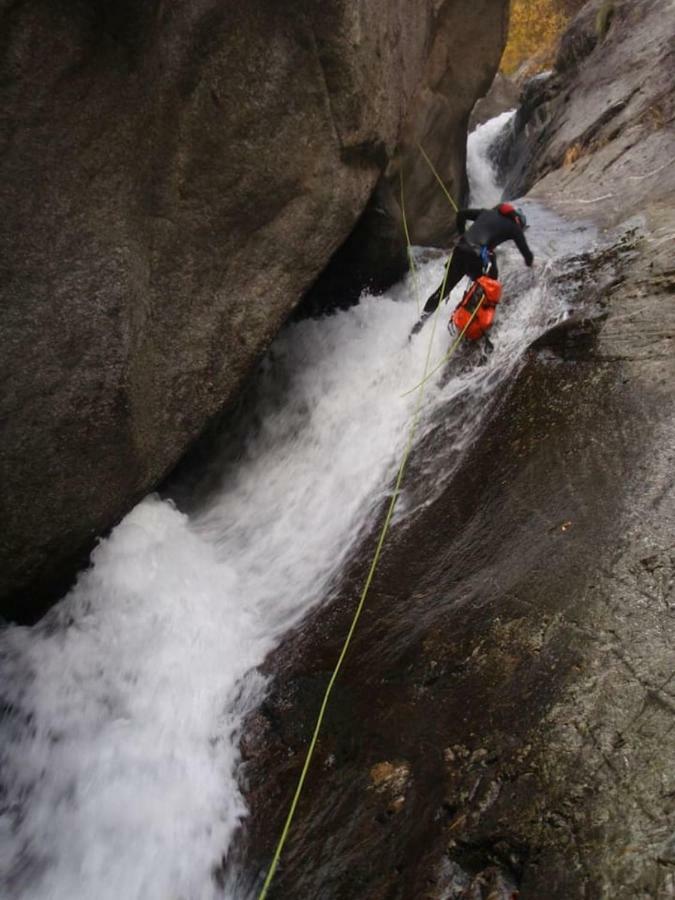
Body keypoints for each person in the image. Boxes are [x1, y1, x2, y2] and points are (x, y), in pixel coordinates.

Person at [411, 203, 533, 335]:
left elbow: (461, 214)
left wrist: (462, 234)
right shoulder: (513, 227)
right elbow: (527, 255)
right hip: (475, 257)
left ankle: (418, 326)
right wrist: (531, 263)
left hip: (460, 250)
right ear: (518, 221)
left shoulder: (486, 213)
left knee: (444, 289)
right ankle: (471, 318)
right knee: (488, 283)